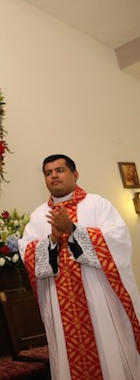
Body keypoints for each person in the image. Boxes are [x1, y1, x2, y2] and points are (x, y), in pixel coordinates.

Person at [19, 154, 140, 379]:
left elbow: (118, 240)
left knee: (108, 352)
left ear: (75, 174)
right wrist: (52, 240)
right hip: (60, 302)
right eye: (48, 173)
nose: (53, 176)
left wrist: (73, 229)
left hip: (99, 298)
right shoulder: (38, 216)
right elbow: (28, 252)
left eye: (59, 170)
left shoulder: (97, 204)